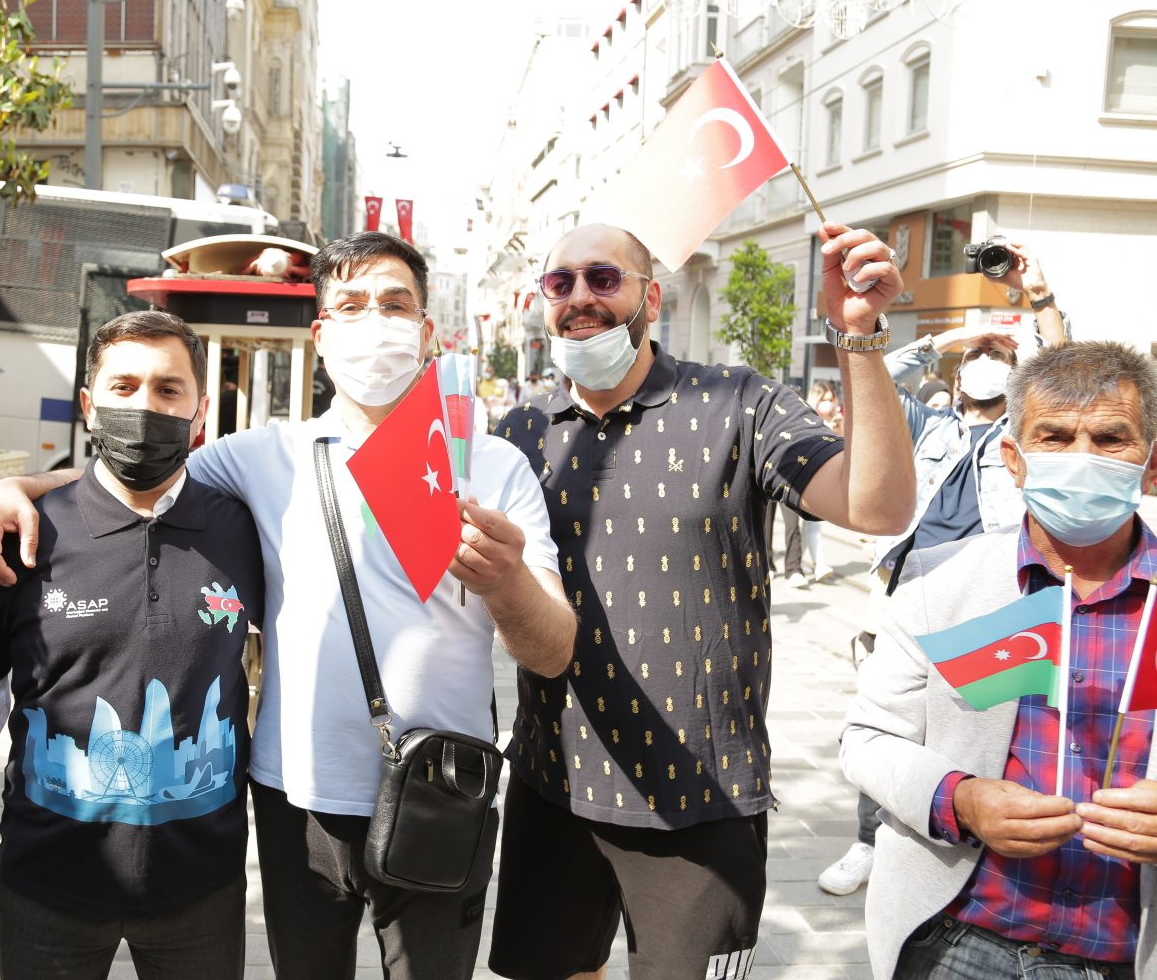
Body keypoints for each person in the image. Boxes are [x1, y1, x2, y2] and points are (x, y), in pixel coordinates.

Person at [0, 231, 577, 980]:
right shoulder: (259, 456)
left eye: (394, 305)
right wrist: (12, 489)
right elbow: (135, 478)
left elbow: (552, 652)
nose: (373, 321)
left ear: (426, 332)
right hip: (297, 803)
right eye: (351, 305)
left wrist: (507, 582)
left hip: (442, 791)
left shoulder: (491, 465)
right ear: (321, 335)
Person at [487, 221, 917, 980]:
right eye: (561, 283)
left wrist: (858, 338)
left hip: (700, 793)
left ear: (652, 298)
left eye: (603, 278)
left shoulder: (739, 402)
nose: (580, 297)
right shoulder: (519, 431)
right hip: (552, 780)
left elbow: (877, 507)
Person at [0, 310, 265, 978]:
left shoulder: (246, 532)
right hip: (47, 887)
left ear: (200, 412)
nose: (145, 407)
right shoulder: (22, 537)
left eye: (169, 389)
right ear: (88, 404)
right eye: (124, 386)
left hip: (203, 890)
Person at [842, 340, 1157, 979]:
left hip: (1128, 953)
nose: (1082, 458)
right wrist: (961, 800)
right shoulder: (943, 583)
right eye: (1055, 438)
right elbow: (869, 739)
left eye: (1110, 439)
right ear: (1013, 459)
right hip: (959, 938)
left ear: (1152, 466)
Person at [820, 242, 1069, 896]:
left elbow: (1067, 369)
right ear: (957, 378)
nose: (986, 363)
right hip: (907, 593)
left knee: (981, 725)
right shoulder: (927, 427)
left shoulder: (1024, 439)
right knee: (888, 720)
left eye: (999, 359)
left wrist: (1035, 308)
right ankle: (869, 842)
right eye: (977, 360)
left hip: (993, 601)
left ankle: (977, 855)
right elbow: (874, 371)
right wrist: (954, 339)